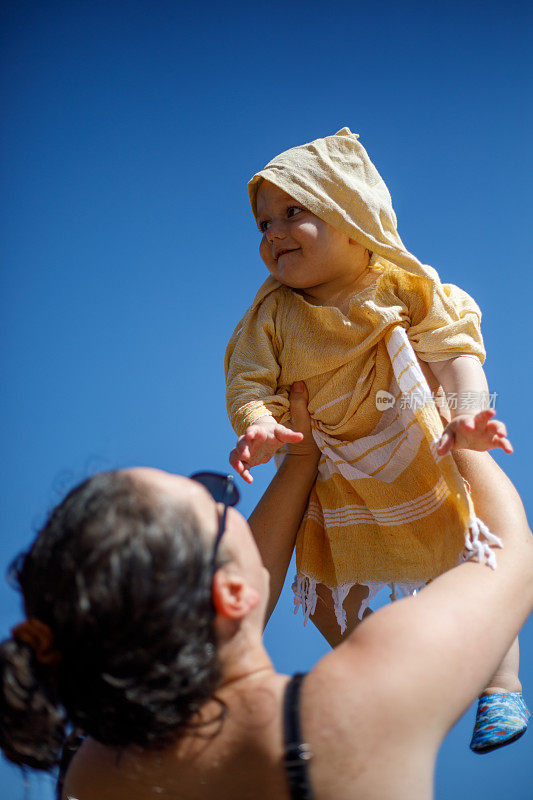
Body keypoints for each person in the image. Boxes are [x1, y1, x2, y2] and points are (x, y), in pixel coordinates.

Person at [0, 388, 532, 800]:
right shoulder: (352, 706)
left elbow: (229, 609)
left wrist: (302, 461)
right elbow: (513, 557)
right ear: (228, 593)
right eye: (215, 496)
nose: (230, 501)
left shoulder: (92, 774)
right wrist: (439, 417)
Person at [225, 127, 529, 751]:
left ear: (350, 216)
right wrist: (258, 425)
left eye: (292, 212)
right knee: (342, 594)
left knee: (474, 550)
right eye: (262, 225)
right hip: (336, 475)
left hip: (423, 447)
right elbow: (250, 379)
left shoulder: (401, 284)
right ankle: (380, 703)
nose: (274, 234)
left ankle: (501, 685)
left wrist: (469, 416)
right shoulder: (273, 314)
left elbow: (454, 352)